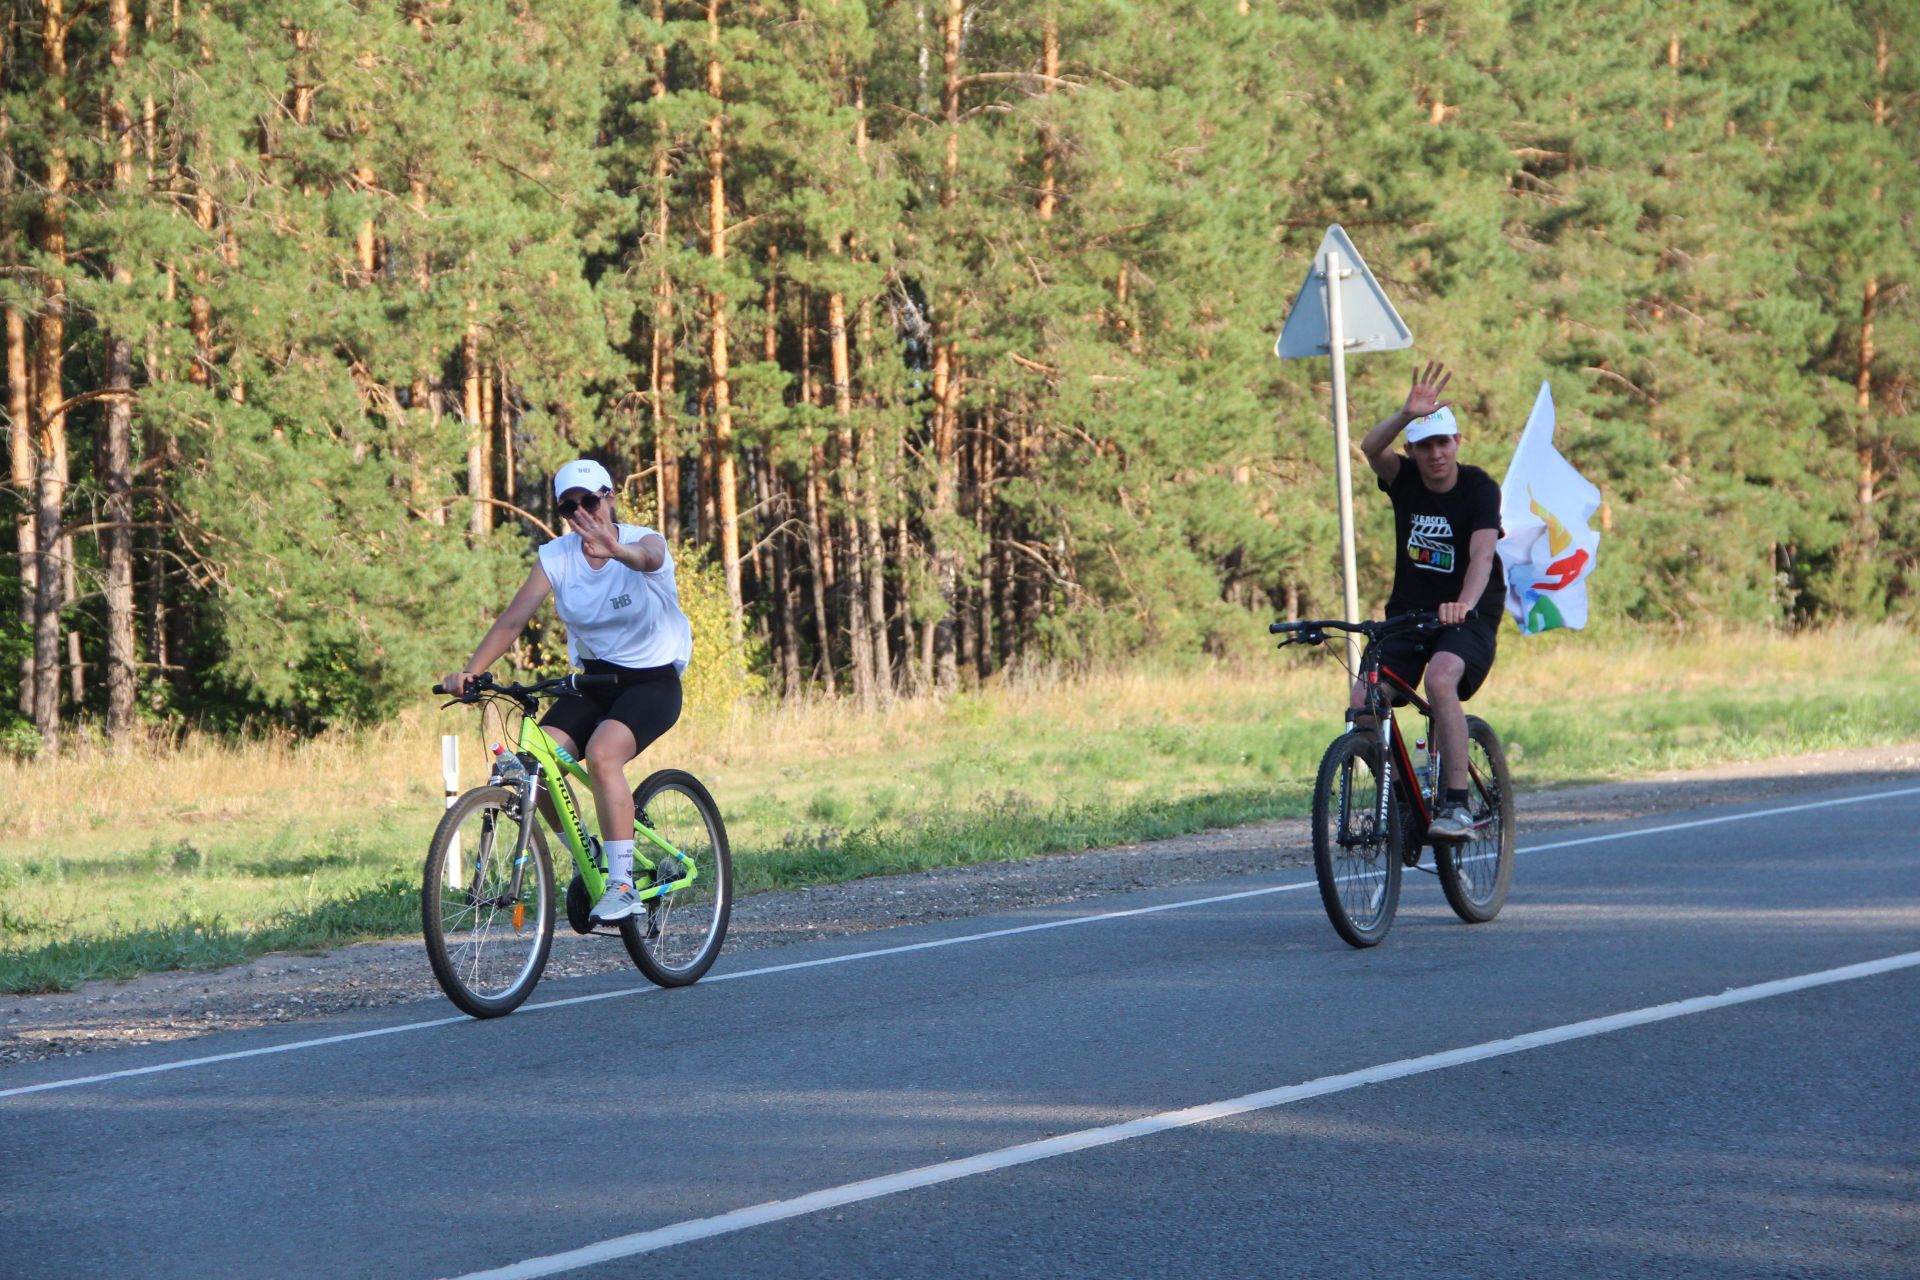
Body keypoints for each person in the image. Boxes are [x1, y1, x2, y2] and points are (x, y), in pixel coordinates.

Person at [441, 459, 693, 923]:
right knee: (530, 767)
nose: (582, 513)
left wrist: (616, 550)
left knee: (602, 754)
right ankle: (591, 854)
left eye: (590, 501)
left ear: (610, 497)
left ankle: (621, 885)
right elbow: (514, 621)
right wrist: (471, 672)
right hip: (594, 680)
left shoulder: (641, 540)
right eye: (569, 506)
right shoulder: (556, 557)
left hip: (651, 681)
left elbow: (650, 559)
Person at [1356, 361, 1503, 841]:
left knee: (1441, 679)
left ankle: (1457, 805)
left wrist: (1462, 603)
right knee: (1363, 703)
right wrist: (1404, 413)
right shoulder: (1404, 480)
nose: (1436, 454)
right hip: (1409, 614)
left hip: (1469, 613)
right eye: (1425, 446)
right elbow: (1369, 448)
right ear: (1412, 451)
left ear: (1457, 444)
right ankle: (1400, 799)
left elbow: (1482, 554)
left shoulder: (1479, 487)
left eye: (1443, 443)